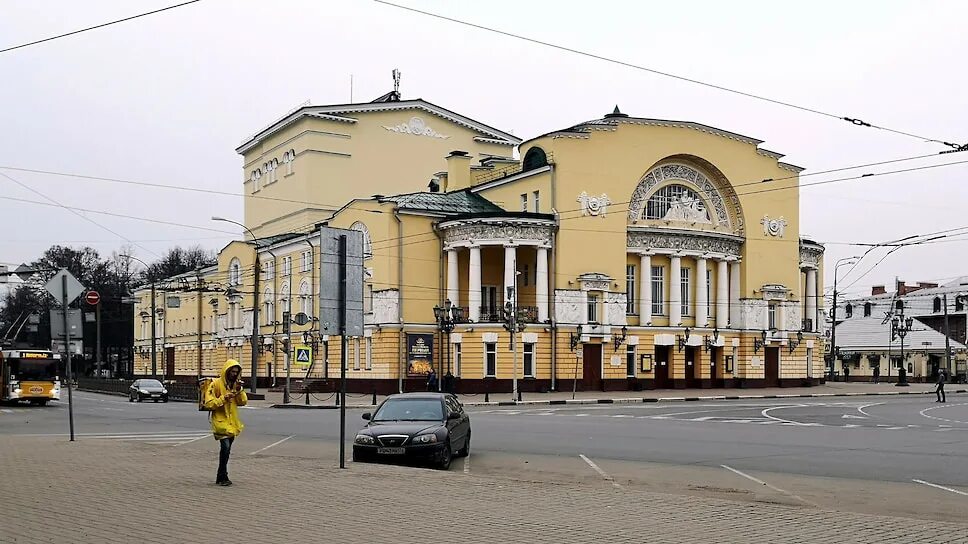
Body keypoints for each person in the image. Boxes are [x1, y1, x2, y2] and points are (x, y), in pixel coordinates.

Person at [203, 359, 248, 486]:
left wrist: (240, 390)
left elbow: (243, 402)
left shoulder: (236, 385)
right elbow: (209, 403)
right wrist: (223, 398)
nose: (234, 374)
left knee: (226, 451)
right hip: (220, 421)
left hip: (232, 422)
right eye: (232, 371)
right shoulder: (216, 384)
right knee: (225, 448)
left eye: (236, 372)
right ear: (227, 371)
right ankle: (223, 476)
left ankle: (221, 476)